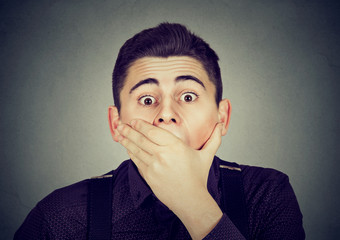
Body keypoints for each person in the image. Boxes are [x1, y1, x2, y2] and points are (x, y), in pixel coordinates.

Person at [14, 23, 305, 239]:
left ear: (222, 116)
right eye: (147, 99)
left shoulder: (267, 194)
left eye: (188, 96)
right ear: (117, 124)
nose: (166, 114)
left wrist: (193, 201)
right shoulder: (59, 216)